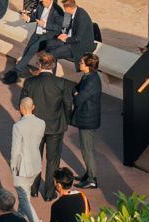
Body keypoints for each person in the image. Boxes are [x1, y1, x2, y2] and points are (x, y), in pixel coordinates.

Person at [20, 54, 74, 196]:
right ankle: (49, 193)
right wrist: (66, 120)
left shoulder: (30, 82)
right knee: (53, 160)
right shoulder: (62, 83)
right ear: (54, 66)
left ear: (40, 65)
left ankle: (33, 190)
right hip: (55, 127)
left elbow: (22, 104)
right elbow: (68, 105)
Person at [8, 96, 45, 222]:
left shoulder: (18, 126)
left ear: (21, 108)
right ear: (33, 107)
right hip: (36, 164)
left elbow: (15, 149)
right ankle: (18, 219)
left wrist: (13, 167)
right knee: (26, 194)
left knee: (23, 198)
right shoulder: (42, 123)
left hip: (22, 167)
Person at [70, 52, 103, 187]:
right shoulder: (88, 76)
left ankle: (92, 179)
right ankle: (89, 173)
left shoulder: (91, 81)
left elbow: (78, 99)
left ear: (88, 66)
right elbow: (75, 89)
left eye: (82, 63)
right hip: (87, 117)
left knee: (87, 150)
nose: (79, 63)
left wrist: (76, 93)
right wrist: (76, 92)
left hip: (88, 119)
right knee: (86, 148)